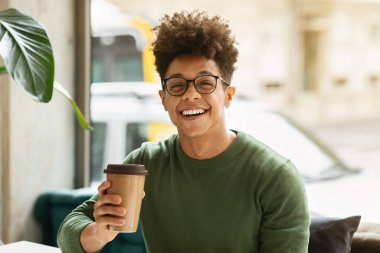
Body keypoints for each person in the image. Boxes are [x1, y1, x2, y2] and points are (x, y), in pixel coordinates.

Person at [57, 10, 310, 253]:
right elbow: (68, 232)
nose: (191, 94)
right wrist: (100, 231)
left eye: (205, 83)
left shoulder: (276, 178)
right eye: (177, 85)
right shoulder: (146, 164)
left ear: (228, 96)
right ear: (164, 99)